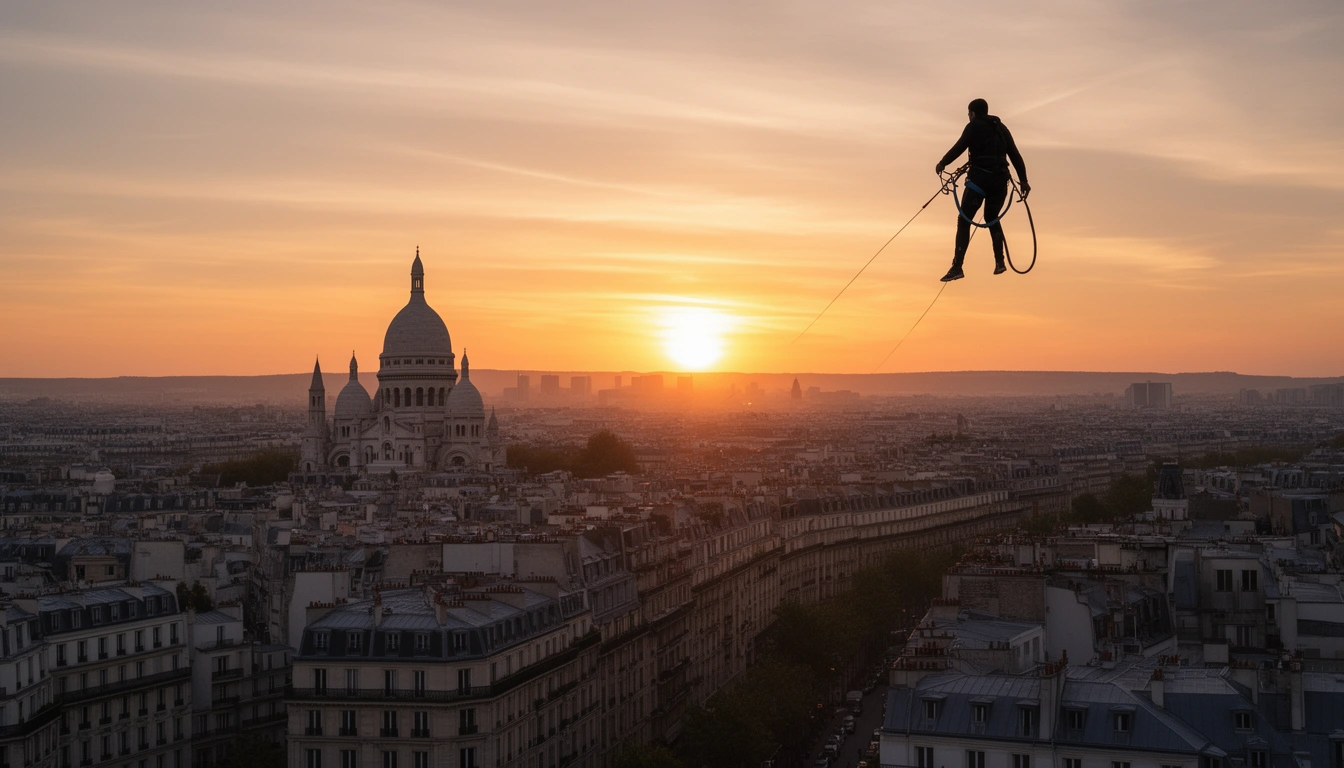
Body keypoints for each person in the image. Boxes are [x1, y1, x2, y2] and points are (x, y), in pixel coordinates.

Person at [935, 98, 1030, 282]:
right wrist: (1024, 181)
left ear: (972, 113)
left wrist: (942, 163)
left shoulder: (973, 126)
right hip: (1000, 183)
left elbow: (959, 147)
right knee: (991, 217)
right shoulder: (1001, 128)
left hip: (979, 181)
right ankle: (999, 261)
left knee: (964, 220)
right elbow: (1015, 156)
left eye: (968, 114)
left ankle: (957, 267)